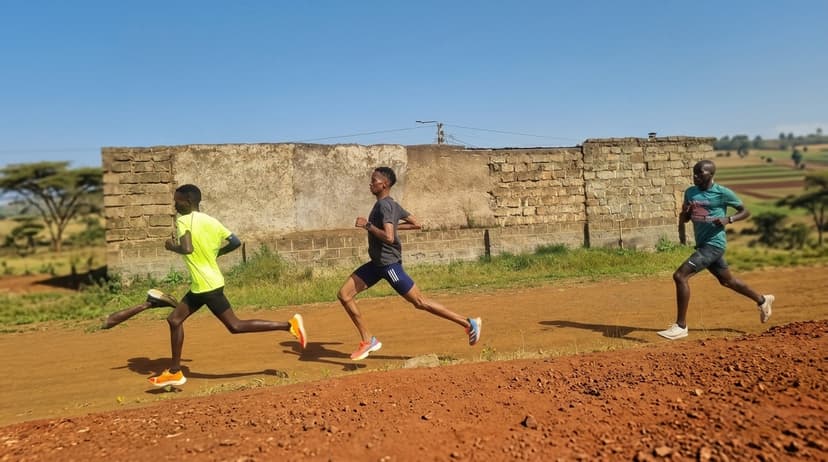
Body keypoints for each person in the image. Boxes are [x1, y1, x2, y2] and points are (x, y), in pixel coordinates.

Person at [148, 184, 307, 387]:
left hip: (206, 286)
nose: (174, 205)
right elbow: (235, 242)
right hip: (206, 282)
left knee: (235, 325)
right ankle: (175, 371)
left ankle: (289, 325)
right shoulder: (212, 221)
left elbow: (187, 249)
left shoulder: (183, 221)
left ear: (188, 202)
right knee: (174, 319)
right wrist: (217, 254)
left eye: (177, 201)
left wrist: (172, 247)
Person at [337, 166, 482, 360]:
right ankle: (368, 339)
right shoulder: (392, 205)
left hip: (389, 266)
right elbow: (416, 223)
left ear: (384, 184)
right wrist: (392, 227)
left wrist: (368, 226)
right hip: (377, 264)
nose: (370, 184)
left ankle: (468, 323)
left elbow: (389, 237)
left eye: (374, 180)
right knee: (344, 295)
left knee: (419, 301)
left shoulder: (385, 206)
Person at [658, 160, 774, 340]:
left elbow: (745, 211)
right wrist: (686, 213)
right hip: (702, 243)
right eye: (694, 173)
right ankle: (762, 300)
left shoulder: (722, 193)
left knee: (680, 276)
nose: (695, 176)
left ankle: (681, 326)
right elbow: (687, 217)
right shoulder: (690, 192)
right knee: (728, 281)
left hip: (714, 244)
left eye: (700, 173)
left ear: (711, 175)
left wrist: (729, 219)